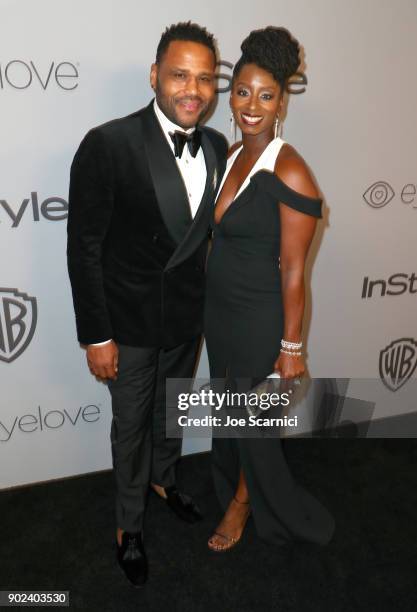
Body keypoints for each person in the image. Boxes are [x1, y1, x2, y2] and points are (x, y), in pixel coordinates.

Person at [67, 22, 228, 586]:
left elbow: (205, 236)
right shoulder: (108, 143)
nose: (194, 89)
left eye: (205, 78)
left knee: (172, 410)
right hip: (129, 325)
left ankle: (166, 480)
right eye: (181, 74)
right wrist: (97, 335)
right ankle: (128, 527)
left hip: (186, 318)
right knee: (130, 427)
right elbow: (84, 248)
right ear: (155, 75)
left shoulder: (215, 145)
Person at [204, 26, 335, 551]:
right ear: (230, 95)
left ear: (282, 101)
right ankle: (230, 484)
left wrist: (291, 348)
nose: (251, 105)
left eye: (265, 95)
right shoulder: (233, 153)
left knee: (251, 419)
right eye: (242, 92)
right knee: (227, 407)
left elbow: (294, 270)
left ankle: (243, 502)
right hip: (220, 311)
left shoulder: (293, 170)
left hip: (261, 318)